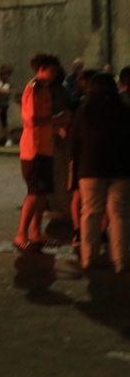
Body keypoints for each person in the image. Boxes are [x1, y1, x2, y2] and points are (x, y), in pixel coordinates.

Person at [68, 73, 130, 270]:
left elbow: (73, 143)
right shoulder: (125, 111)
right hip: (122, 168)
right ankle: (121, 260)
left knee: (91, 213)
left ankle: (89, 258)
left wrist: (75, 171)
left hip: (90, 168)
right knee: (119, 214)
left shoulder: (84, 111)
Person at [16, 54, 64, 251]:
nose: (54, 75)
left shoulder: (44, 89)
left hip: (45, 148)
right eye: (52, 70)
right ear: (41, 68)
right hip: (33, 150)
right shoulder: (33, 89)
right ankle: (21, 235)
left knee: (43, 194)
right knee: (34, 193)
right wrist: (57, 120)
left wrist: (57, 124)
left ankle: (36, 233)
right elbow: (33, 121)